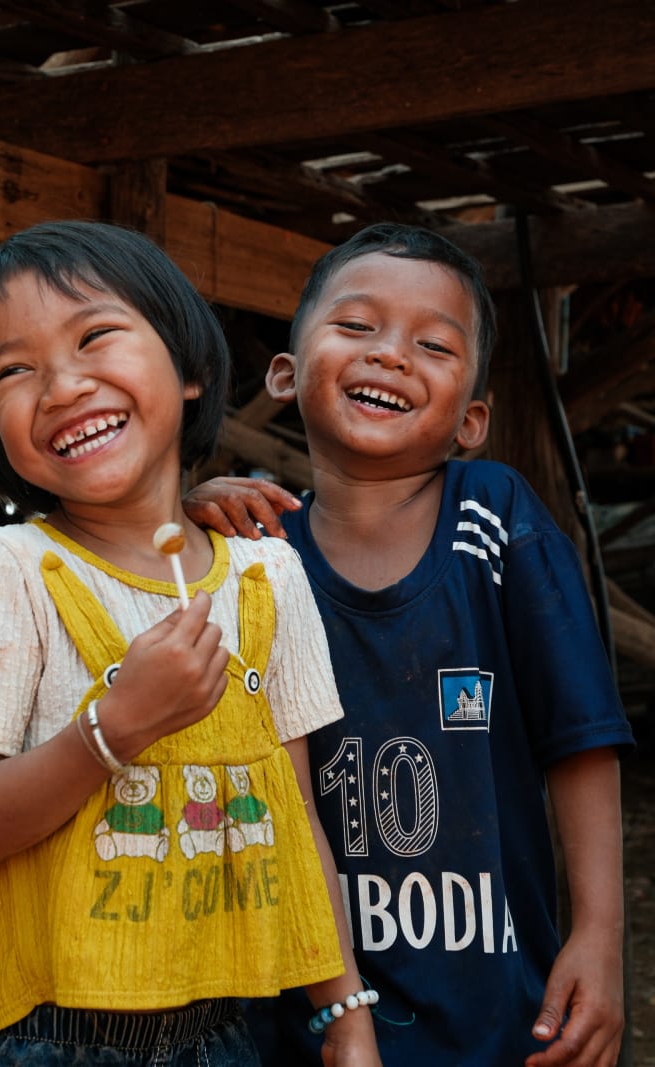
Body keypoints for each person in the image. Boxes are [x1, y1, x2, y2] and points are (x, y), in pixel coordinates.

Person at [0, 220, 382, 1067]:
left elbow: (295, 815)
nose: (60, 385)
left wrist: (345, 1011)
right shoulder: (14, 568)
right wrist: (115, 726)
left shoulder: (267, 580)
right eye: (13, 370)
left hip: (233, 1029)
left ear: (191, 370)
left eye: (95, 334)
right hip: (51, 1034)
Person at [184, 222, 635, 1067]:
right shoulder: (253, 558)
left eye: (432, 343)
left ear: (471, 419)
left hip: (499, 1013)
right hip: (303, 1016)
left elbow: (579, 738)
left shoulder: (493, 517)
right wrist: (180, 517)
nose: (390, 354)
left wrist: (601, 935)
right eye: (356, 327)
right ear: (283, 374)